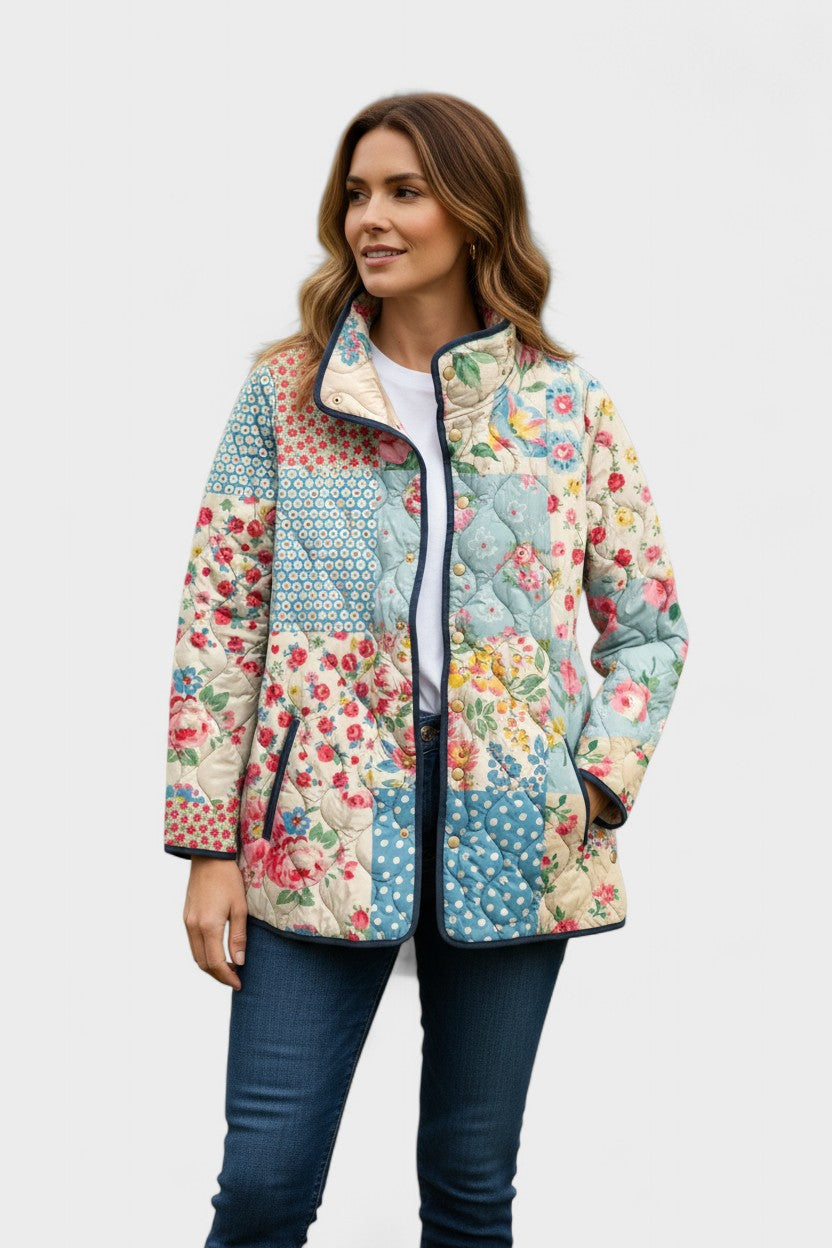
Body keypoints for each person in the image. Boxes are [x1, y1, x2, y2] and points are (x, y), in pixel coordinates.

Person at [163, 91, 690, 1247]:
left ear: (473, 209)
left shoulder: (564, 403)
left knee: (468, 1187)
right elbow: (220, 623)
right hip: (317, 815)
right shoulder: (287, 393)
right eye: (357, 193)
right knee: (264, 1184)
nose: (372, 217)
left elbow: (648, 625)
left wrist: (592, 786)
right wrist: (208, 846)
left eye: (404, 191)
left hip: (516, 818)